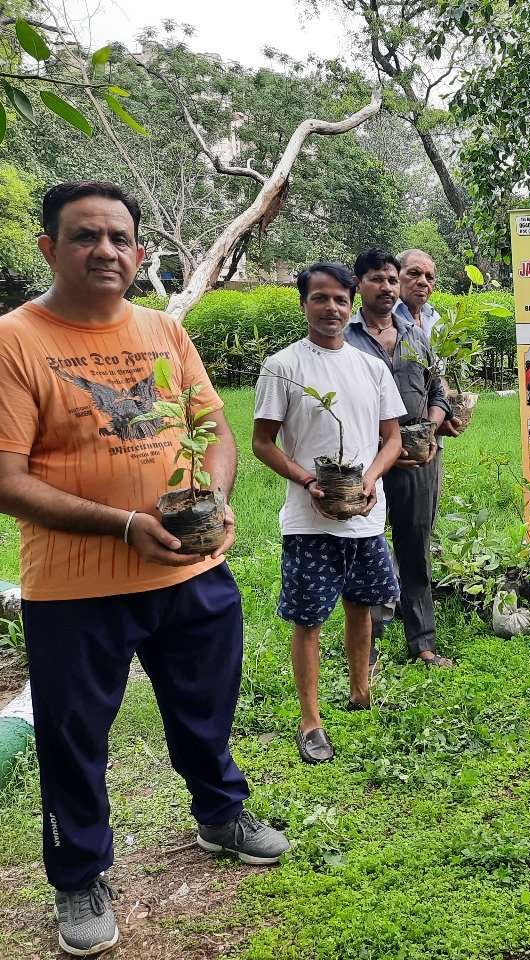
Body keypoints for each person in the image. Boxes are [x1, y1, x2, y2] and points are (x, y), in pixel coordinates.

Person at [0, 180, 288, 957]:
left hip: (192, 571)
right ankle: (79, 876)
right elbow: (6, 477)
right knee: (73, 737)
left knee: (206, 707)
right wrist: (126, 525)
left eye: (120, 238)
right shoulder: (16, 340)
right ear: (49, 248)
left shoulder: (164, 330)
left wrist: (217, 495)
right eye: (86, 236)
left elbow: (213, 427)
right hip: (76, 589)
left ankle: (220, 813)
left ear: (139, 251)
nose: (106, 250)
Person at [252, 262, 406, 765]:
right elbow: (262, 443)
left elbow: (393, 439)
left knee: (362, 607)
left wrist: (371, 478)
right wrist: (308, 480)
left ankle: (361, 692)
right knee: (308, 620)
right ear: (304, 305)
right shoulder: (284, 366)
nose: (331, 308)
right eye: (320, 298)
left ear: (351, 303)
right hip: (309, 519)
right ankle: (310, 719)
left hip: (364, 514)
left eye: (340, 299)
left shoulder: (371, 366)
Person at [345, 248, 455, 669]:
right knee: (365, 548)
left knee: (415, 547)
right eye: (377, 279)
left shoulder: (417, 338)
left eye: (392, 280)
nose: (387, 287)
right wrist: (385, 443)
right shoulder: (346, 338)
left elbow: (438, 393)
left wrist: (426, 432)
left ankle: (423, 642)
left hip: (417, 460)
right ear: (359, 284)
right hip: (364, 461)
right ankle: (366, 643)